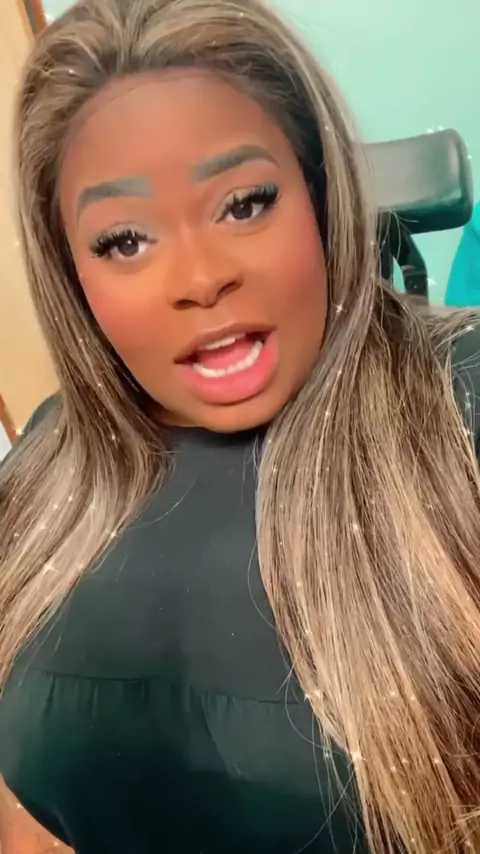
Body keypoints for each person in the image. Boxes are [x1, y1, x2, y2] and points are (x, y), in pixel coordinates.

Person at [1, 0, 480, 851]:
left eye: (245, 203)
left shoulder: (461, 407)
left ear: (319, 193)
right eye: (124, 242)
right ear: (70, 272)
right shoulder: (43, 466)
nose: (199, 278)